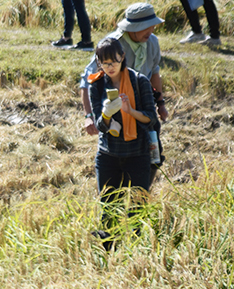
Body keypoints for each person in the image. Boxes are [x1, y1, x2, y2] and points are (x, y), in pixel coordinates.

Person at [88, 37, 158, 250]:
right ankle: (108, 253)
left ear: (123, 58)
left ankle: (136, 253)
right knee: (108, 207)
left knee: (137, 208)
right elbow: (100, 126)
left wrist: (130, 112)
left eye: (114, 62)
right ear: (99, 62)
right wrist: (106, 114)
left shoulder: (139, 81)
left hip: (137, 153)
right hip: (108, 154)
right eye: (105, 63)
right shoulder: (97, 83)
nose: (110, 67)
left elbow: (151, 119)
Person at [80, 3, 168, 140]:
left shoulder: (152, 42)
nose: (150, 31)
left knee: (153, 152)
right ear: (133, 28)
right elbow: (88, 79)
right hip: (116, 114)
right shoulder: (112, 45)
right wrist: (89, 116)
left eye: (152, 26)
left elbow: (154, 73)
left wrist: (160, 103)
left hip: (143, 111)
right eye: (146, 27)